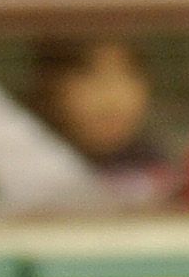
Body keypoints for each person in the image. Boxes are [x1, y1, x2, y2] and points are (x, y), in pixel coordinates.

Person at [26, 38, 173, 206]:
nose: (113, 97)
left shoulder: (154, 167)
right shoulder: (27, 168)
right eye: (89, 74)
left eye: (129, 73)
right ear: (52, 85)